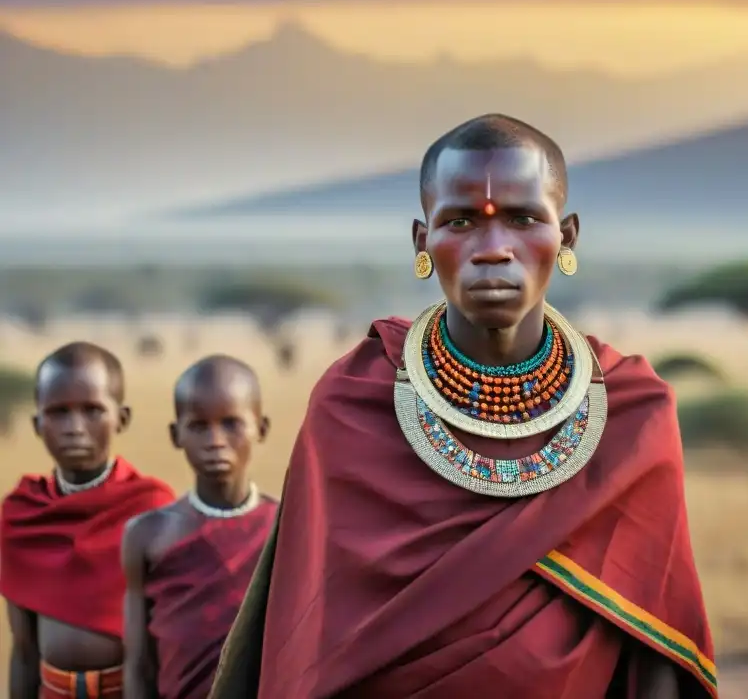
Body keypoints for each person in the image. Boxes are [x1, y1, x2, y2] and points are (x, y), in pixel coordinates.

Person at [211, 113, 718, 698]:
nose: (494, 250)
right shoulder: (353, 400)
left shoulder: (634, 415)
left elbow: (653, 639)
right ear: (422, 241)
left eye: (524, 219)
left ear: (568, 236)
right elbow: (307, 637)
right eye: (460, 223)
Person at [1, 342, 177, 699]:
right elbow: (23, 651)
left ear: (121, 418)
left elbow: (168, 647)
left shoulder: (152, 509)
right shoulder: (21, 515)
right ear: (37, 422)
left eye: (92, 410)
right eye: (59, 412)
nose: (75, 427)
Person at [121, 355, 277, 699]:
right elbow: (138, 663)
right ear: (176, 434)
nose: (216, 440)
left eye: (232, 423)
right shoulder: (147, 535)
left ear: (261, 428)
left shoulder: (284, 528)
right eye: (199, 426)